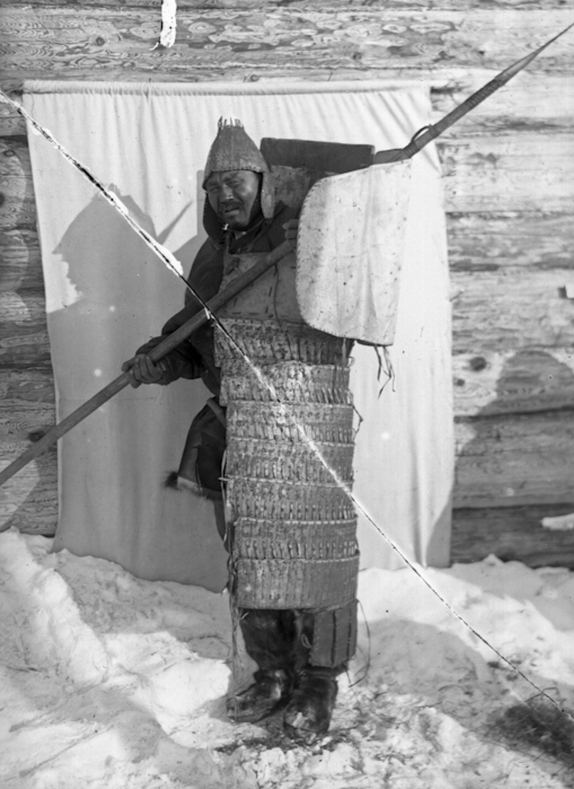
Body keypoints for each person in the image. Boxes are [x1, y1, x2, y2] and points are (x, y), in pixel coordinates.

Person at [123, 119, 359, 741]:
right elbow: (195, 341)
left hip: (306, 425)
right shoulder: (212, 258)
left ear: (264, 182)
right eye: (215, 184)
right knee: (253, 558)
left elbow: (345, 304)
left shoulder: (306, 236)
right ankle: (275, 671)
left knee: (316, 559)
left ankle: (319, 682)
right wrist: (160, 360)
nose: (227, 193)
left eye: (238, 180)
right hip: (239, 431)